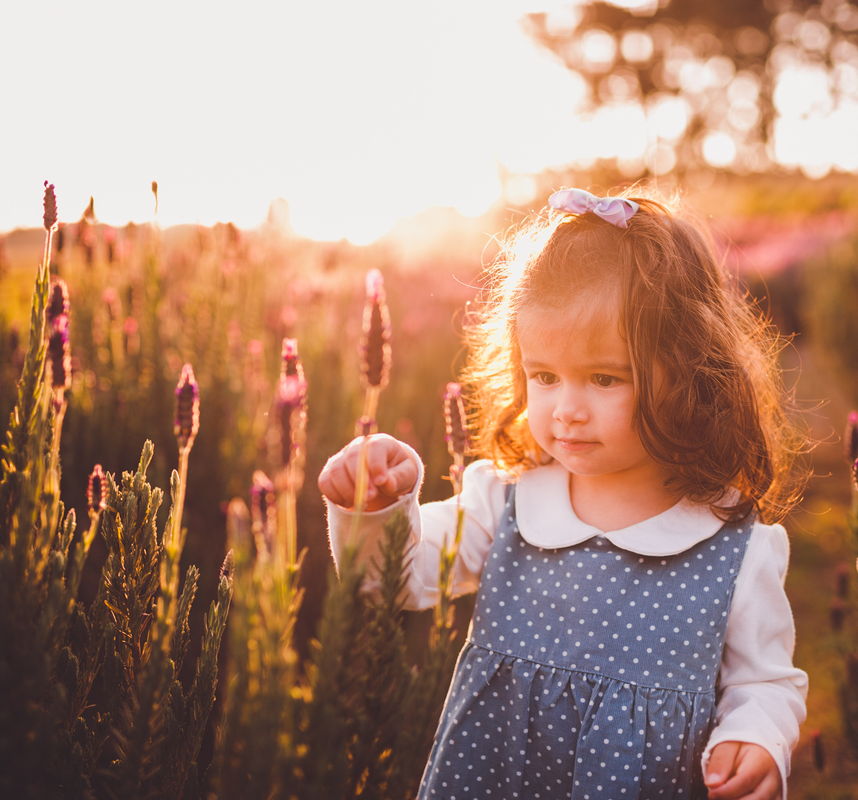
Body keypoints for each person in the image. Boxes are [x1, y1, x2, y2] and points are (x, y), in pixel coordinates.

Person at [318, 188, 809, 800]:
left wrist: (756, 739)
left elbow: (764, 684)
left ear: (684, 373)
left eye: (603, 378)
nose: (566, 410)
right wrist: (376, 508)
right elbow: (396, 577)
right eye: (544, 376)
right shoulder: (509, 501)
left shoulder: (731, 548)